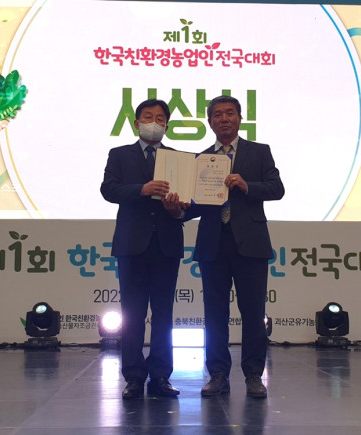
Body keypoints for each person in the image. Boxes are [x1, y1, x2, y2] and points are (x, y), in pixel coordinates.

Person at [187, 95, 284, 398]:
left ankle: (254, 375)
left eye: (230, 113)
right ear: (210, 122)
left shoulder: (259, 151)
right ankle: (218, 374)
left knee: (253, 313)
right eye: (217, 114)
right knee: (214, 313)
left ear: (240, 119)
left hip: (250, 243)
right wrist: (177, 207)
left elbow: (277, 189)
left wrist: (246, 185)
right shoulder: (200, 159)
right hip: (213, 243)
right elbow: (194, 205)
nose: (224, 119)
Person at [101, 99, 187, 400]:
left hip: (166, 243)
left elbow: (188, 204)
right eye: (148, 117)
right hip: (132, 244)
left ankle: (161, 376)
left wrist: (179, 208)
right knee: (132, 313)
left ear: (167, 126)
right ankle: (134, 377)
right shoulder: (119, 154)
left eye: (160, 118)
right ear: (137, 124)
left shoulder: (179, 159)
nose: (154, 123)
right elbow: (108, 190)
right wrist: (142, 189)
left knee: (164, 313)